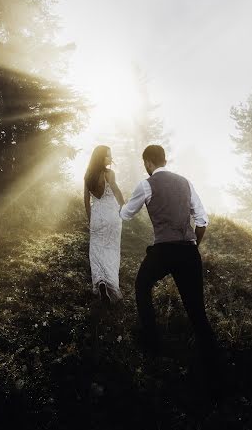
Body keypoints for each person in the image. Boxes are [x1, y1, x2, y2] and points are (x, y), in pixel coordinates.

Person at [119, 144, 218, 366]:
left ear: (148, 162)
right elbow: (202, 220)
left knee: (142, 286)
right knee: (196, 308)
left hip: (163, 251)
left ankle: (151, 342)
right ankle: (213, 357)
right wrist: (193, 246)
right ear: (164, 159)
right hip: (188, 250)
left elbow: (126, 214)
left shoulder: (146, 185)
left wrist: (118, 208)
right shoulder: (186, 182)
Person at [84, 145, 125, 305]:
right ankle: (111, 285)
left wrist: (90, 219)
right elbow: (115, 190)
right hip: (111, 215)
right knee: (111, 250)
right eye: (107, 156)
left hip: (97, 215)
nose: (110, 159)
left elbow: (86, 200)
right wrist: (124, 207)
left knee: (96, 250)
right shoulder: (109, 174)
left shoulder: (88, 175)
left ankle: (100, 280)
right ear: (100, 158)